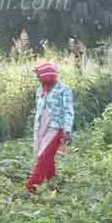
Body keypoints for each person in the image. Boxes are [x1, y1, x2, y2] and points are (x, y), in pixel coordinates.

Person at [25, 62, 74, 194]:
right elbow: (39, 110)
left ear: (47, 76)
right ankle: (52, 181)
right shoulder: (40, 90)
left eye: (39, 75)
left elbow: (68, 110)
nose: (37, 78)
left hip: (56, 127)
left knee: (44, 156)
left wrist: (67, 130)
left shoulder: (64, 89)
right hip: (41, 127)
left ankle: (31, 187)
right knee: (46, 155)